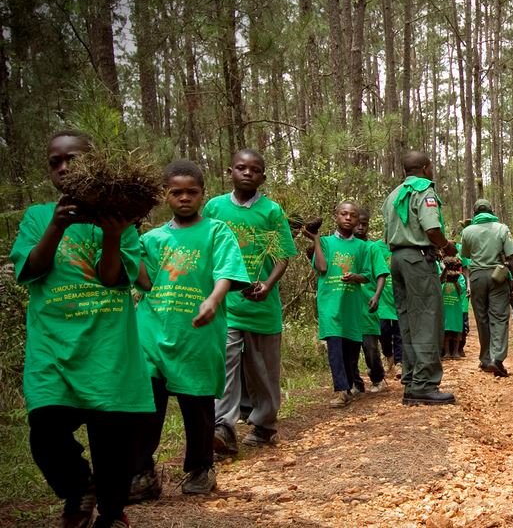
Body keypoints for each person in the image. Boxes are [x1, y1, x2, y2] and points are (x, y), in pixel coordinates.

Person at [10, 130, 153, 528]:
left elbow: (114, 279)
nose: (63, 167)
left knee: (114, 445)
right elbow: (32, 270)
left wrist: (111, 235)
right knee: (46, 430)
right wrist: (56, 226)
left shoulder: (120, 218)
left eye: (71, 158)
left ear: (93, 163)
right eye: (54, 162)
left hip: (107, 347)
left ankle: (110, 512)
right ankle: (78, 489)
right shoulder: (37, 217)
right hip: (52, 347)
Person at [133, 160, 251, 497]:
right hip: (153, 330)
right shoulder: (152, 238)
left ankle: (201, 468)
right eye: (176, 192)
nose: (184, 198)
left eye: (192, 192)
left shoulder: (216, 231)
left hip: (198, 334)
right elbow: (144, 281)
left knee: (196, 404)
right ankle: (142, 472)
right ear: (165, 195)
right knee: (148, 404)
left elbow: (226, 272)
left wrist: (214, 300)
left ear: (202, 194)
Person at [203, 149, 297, 457]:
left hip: (262, 303)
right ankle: (223, 428)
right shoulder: (215, 208)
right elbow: (206, 248)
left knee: (263, 369)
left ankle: (264, 424)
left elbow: (282, 254)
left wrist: (268, 285)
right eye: (241, 168)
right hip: (226, 305)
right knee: (225, 366)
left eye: (254, 170)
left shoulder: (271, 211)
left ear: (263, 177)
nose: (247, 173)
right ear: (229, 171)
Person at [381, 151, 459, 406]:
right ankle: (425, 384)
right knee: (427, 318)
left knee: (408, 320)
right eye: (432, 166)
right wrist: (446, 246)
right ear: (425, 168)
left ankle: (412, 380)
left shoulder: (393, 195)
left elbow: (387, 233)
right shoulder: (424, 190)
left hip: (397, 259)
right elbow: (432, 228)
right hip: (418, 258)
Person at [304, 202, 385, 407]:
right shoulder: (325, 242)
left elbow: (367, 276)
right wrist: (315, 238)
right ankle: (341, 390)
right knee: (335, 348)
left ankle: (348, 386)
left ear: (358, 220)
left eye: (353, 215)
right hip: (330, 304)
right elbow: (322, 267)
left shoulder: (363, 247)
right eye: (344, 214)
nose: (348, 218)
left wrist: (356, 276)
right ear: (336, 216)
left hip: (351, 307)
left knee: (350, 351)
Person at [459, 198, 513, 377]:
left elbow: (466, 254)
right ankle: (497, 359)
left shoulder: (467, 231)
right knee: (499, 317)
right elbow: (512, 258)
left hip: (477, 276)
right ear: (491, 211)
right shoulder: (502, 228)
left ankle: (485, 359)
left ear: (475, 213)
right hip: (498, 276)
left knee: (482, 318)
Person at [354, 218, 390, 393]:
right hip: (348, 306)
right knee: (350, 349)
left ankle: (377, 378)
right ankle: (355, 384)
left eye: (364, 224)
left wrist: (376, 296)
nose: (360, 227)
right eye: (357, 223)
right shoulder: (345, 247)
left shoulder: (372, 248)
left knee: (370, 346)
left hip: (368, 305)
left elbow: (382, 273)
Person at [440, 258, 467, 358]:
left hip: (456, 309)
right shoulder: (444, 277)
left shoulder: (459, 277)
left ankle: (456, 352)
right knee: (446, 330)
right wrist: (445, 271)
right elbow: (439, 281)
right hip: (445, 308)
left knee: (457, 330)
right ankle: (447, 352)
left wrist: (454, 280)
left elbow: (460, 290)